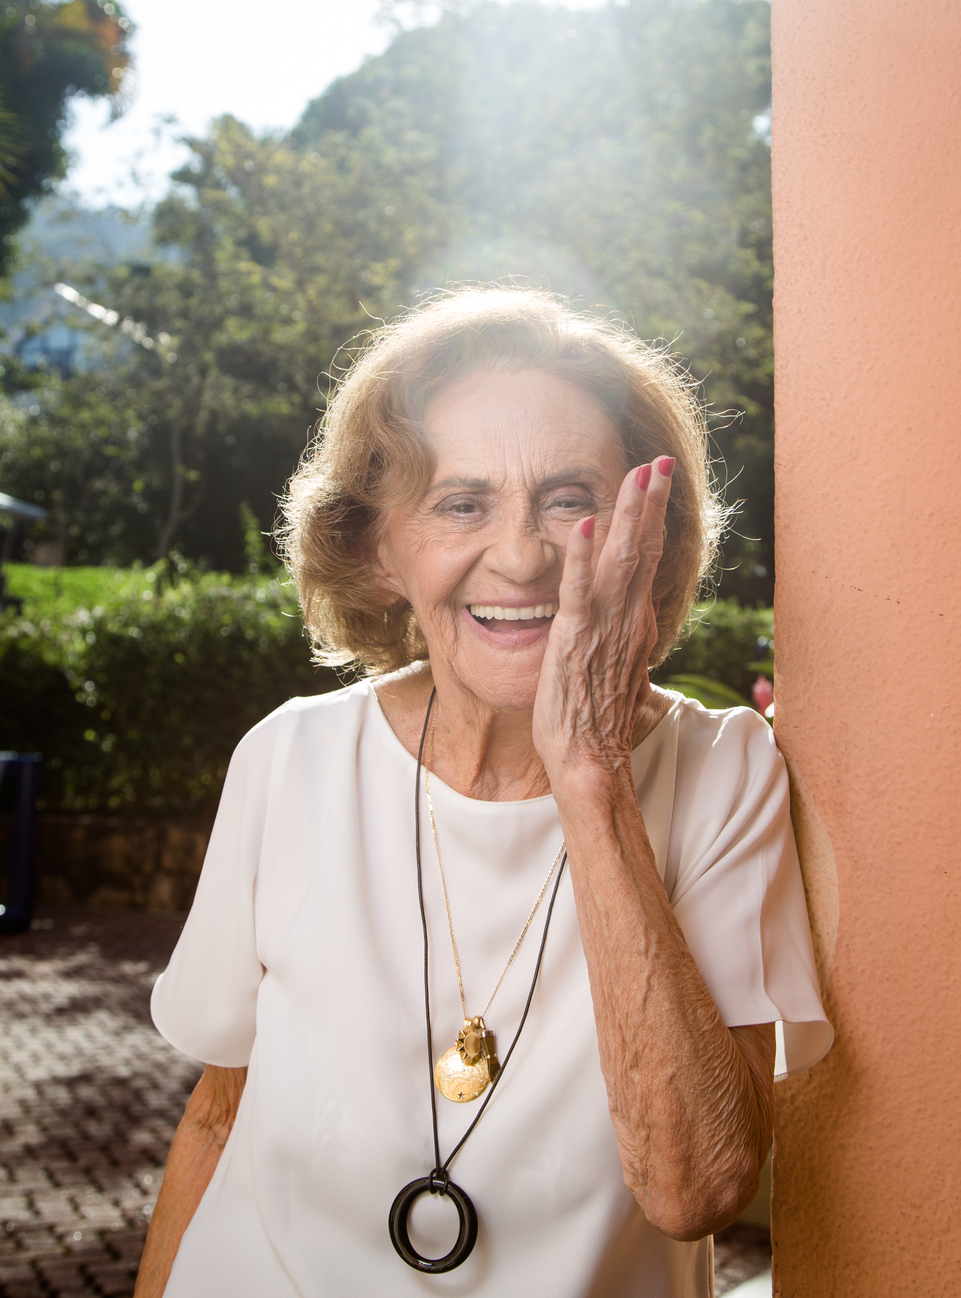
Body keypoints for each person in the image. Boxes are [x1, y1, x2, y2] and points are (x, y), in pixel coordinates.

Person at [136, 288, 832, 1298]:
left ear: (647, 533)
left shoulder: (722, 771)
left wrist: (586, 770)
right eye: (462, 503)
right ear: (382, 548)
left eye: (568, 500)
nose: (519, 555)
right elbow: (216, 1114)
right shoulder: (290, 758)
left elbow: (697, 1188)